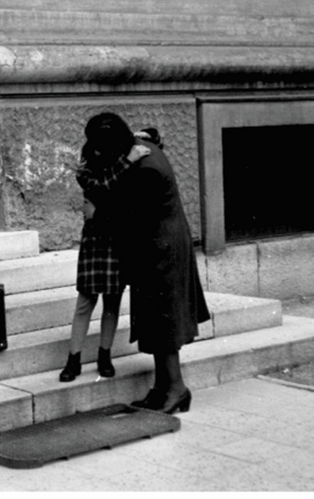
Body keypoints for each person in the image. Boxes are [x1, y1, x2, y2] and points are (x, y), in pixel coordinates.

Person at [84, 113, 210, 414]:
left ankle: (177, 389)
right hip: (155, 245)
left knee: (163, 319)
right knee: (155, 318)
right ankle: (162, 387)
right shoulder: (138, 148)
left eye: (102, 148)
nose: (100, 154)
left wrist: (96, 216)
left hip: (161, 248)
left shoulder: (145, 168)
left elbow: (128, 212)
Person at [59, 131, 151, 382]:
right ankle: (73, 359)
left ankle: (105, 356)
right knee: (85, 303)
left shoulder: (120, 168)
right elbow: (102, 187)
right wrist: (127, 161)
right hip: (96, 243)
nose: (101, 154)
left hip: (116, 242)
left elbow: (119, 203)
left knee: (112, 303)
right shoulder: (86, 173)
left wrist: (131, 138)